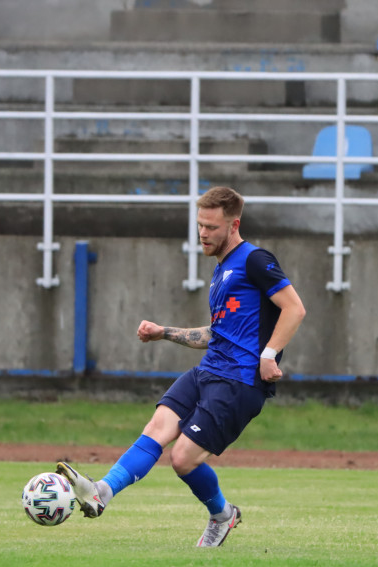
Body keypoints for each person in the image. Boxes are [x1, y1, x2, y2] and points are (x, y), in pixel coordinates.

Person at [57, 186, 306, 547]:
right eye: (200, 225)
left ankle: (222, 515)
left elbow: (294, 308)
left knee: (183, 458)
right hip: (208, 370)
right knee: (157, 426)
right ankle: (101, 492)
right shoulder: (222, 271)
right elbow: (218, 333)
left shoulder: (255, 260)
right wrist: (164, 333)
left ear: (234, 225)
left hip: (238, 381)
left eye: (212, 227)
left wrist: (269, 355)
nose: (203, 233)